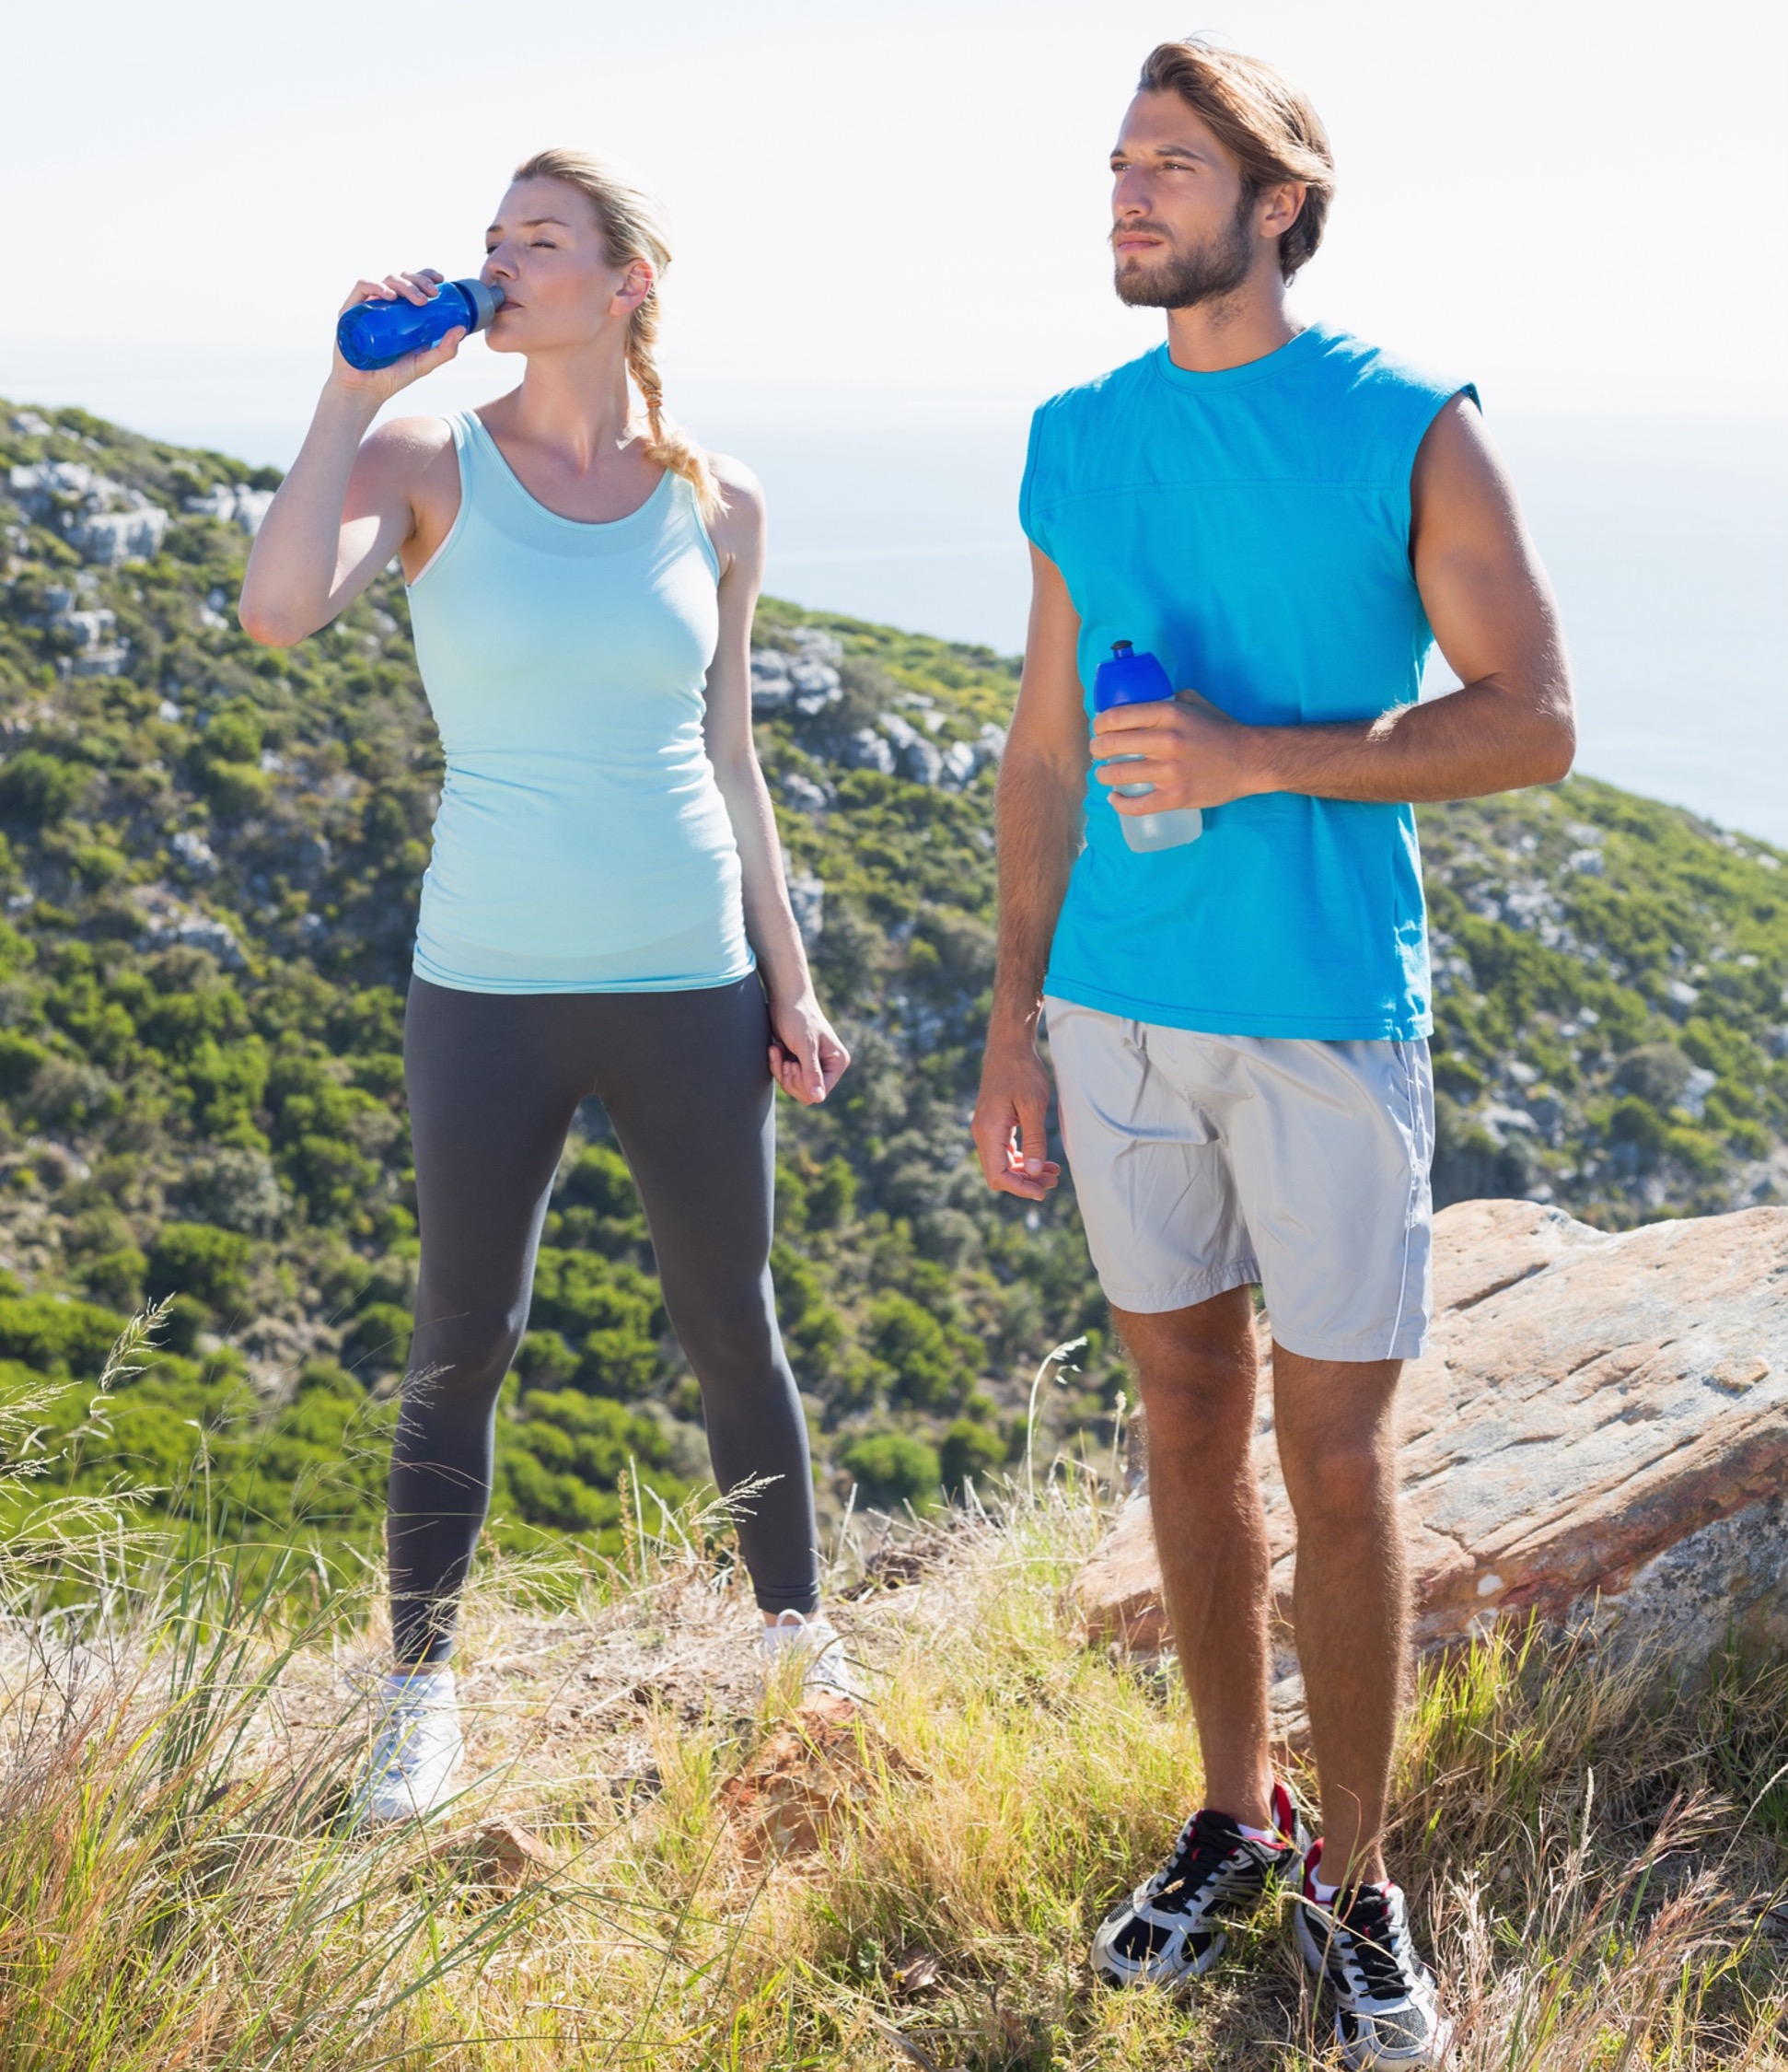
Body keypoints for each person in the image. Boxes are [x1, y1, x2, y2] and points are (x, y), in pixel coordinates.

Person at [971, 39, 1572, 2070]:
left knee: (1330, 1454)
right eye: (1115, 165)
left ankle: (1357, 1887)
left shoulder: (1403, 423)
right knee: (1178, 1416)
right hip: (1115, 1015)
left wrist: (1257, 761)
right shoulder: (1071, 434)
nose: (1125, 196)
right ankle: (1234, 1818)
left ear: (1277, 201)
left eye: (1168, 167)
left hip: (1320, 1011)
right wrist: (1009, 1025)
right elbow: (1042, 748)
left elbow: (1526, 718)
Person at [240, 147, 854, 1821]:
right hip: (488, 981)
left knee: (735, 1325)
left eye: (541, 239)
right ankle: (420, 1696)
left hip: (688, 975)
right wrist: (340, 394)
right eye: (492, 238)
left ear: (623, 281)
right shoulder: (425, 454)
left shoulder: (715, 497)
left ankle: (799, 1649)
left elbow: (731, 752)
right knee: (465, 1336)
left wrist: (787, 982)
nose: (502, 262)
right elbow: (278, 610)